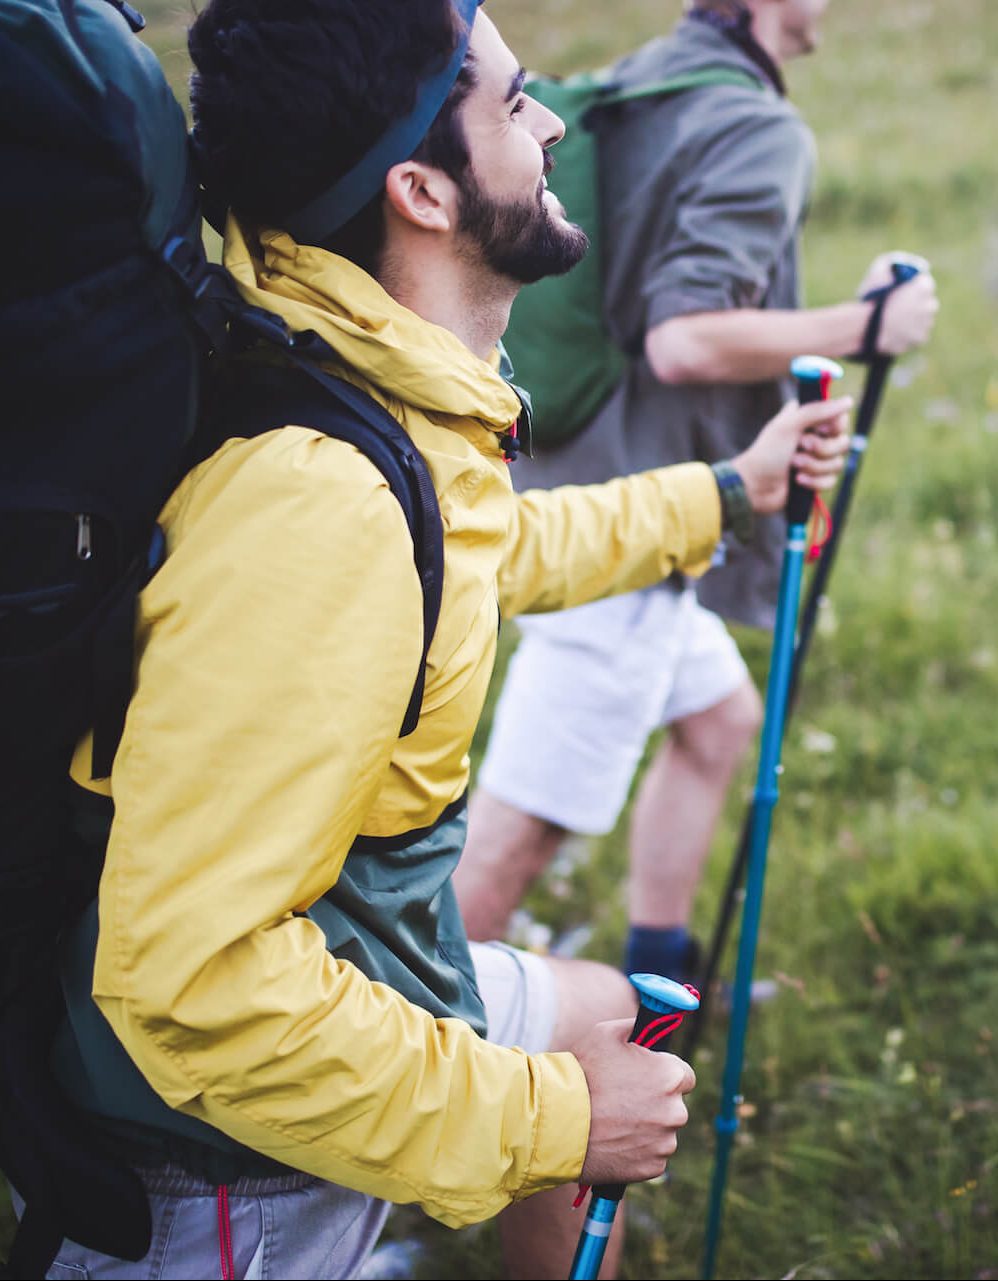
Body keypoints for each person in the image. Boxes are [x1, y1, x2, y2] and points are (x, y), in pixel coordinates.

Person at [32, 3, 851, 1278]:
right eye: (514, 105)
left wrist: (727, 493)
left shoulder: (377, 391)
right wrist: (552, 1122)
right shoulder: (319, 502)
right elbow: (195, 988)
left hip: (369, 970)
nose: (554, 125)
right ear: (419, 190)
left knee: (602, 1014)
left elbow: (488, 551)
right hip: (223, 1166)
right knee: (580, 1081)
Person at [454, 0, 938, 989]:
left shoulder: (650, 79)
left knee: (718, 722)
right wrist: (865, 325)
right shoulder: (756, 126)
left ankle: (662, 993)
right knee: (509, 844)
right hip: (626, 540)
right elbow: (682, 339)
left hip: (579, 479)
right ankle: (420, 1040)